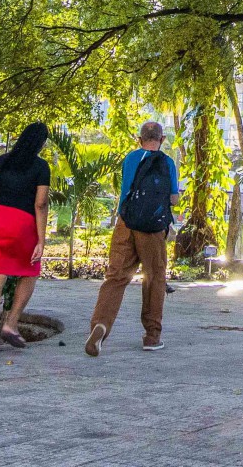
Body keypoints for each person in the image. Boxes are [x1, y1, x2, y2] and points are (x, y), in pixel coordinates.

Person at [85, 121, 180, 356]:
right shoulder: (167, 163)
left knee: (116, 277)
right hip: (153, 229)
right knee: (154, 278)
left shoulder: (130, 158)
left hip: (126, 224)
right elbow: (174, 199)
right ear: (162, 139)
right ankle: (152, 336)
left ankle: (101, 325)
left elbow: (126, 191)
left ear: (140, 139)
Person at [0, 121, 50, 354]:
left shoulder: (1, 162)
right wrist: (41, 238)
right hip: (22, 224)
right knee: (29, 272)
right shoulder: (41, 167)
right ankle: (10, 323)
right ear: (41, 143)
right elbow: (40, 204)